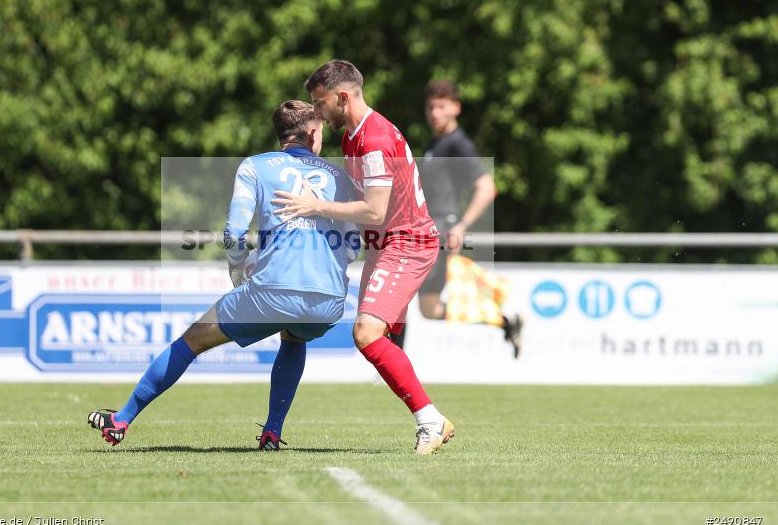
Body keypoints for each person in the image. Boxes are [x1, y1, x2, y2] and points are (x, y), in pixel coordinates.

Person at [88, 100, 358, 450]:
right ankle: (272, 433)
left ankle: (121, 419)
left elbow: (233, 232)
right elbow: (353, 242)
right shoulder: (340, 176)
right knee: (295, 336)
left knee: (191, 342)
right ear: (312, 132)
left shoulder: (255, 166)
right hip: (329, 301)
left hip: (272, 292)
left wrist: (238, 267)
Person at [272, 60, 455, 455]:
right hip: (385, 244)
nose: (315, 113)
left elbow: (373, 210)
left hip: (406, 244)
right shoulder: (358, 134)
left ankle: (431, 420)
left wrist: (313, 206)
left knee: (366, 334)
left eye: (319, 103)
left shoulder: (371, 140)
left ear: (342, 97)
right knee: (375, 336)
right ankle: (430, 419)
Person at [415, 80, 523, 357]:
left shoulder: (457, 144)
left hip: (442, 228)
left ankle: (384, 365)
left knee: (403, 290)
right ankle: (503, 319)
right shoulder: (436, 143)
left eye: (441, 106)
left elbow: (487, 187)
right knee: (428, 308)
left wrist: (461, 225)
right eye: (431, 107)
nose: (435, 113)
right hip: (431, 227)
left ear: (456, 108)